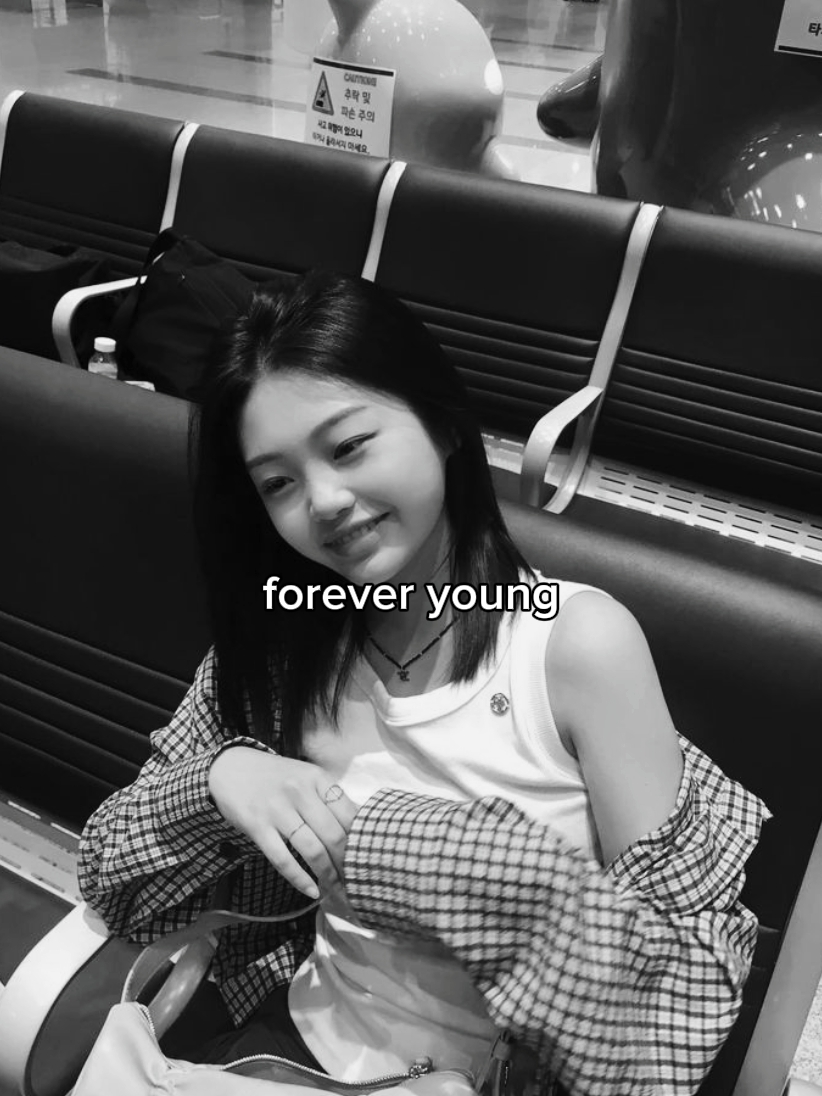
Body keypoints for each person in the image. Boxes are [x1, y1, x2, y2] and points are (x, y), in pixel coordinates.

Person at [77, 271, 770, 1095]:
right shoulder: (284, 643)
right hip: (291, 1048)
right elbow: (110, 879)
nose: (324, 501)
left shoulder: (575, 647)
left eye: (348, 447)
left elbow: (668, 1014)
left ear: (441, 424)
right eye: (278, 483)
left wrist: (407, 852)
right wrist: (222, 779)